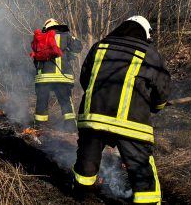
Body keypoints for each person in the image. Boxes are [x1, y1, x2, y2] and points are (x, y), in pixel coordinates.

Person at [72, 16, 171, 204]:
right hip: (131, 123)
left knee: (87, 159)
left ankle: (82, 195)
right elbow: (162, 90)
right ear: (145, 34)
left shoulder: (99, 46)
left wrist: (97, 97)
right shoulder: (149, 53)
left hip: (93, 116)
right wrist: (155, 106)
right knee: (140, 167)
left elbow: (85, 79)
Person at [32, 18, 83, 132]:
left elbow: (35, 59)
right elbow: (77, 47)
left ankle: (40, 127)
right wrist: (69, 56)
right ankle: (70, 127)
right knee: (65, 101)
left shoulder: (40, 38)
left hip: (44, 78)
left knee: (42, 101)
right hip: (62, 77)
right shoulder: (65, 36)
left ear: (45, 28)